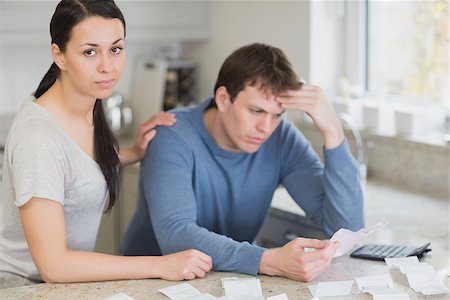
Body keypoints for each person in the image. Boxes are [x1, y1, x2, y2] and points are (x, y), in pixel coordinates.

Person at [0, 0, 212, 288]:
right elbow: (55, 267)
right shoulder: (38, 139)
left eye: (115, 49)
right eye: (90, 52)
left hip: (58, 285)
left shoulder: (84, 101)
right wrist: (161, 263)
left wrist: (134, 152)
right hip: (22, 286)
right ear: (58, 55)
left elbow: (75, 165)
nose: (107, 66)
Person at [122, 43, 364, 282]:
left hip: (232, 280)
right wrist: (268, 260)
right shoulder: (171, 136)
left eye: (277, 115)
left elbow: (346, 229)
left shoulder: (283, 139)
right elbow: (176, 235)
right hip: (151, 284)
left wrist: (333, 131)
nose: (266, 128)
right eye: (256, 111)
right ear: (223, 99)